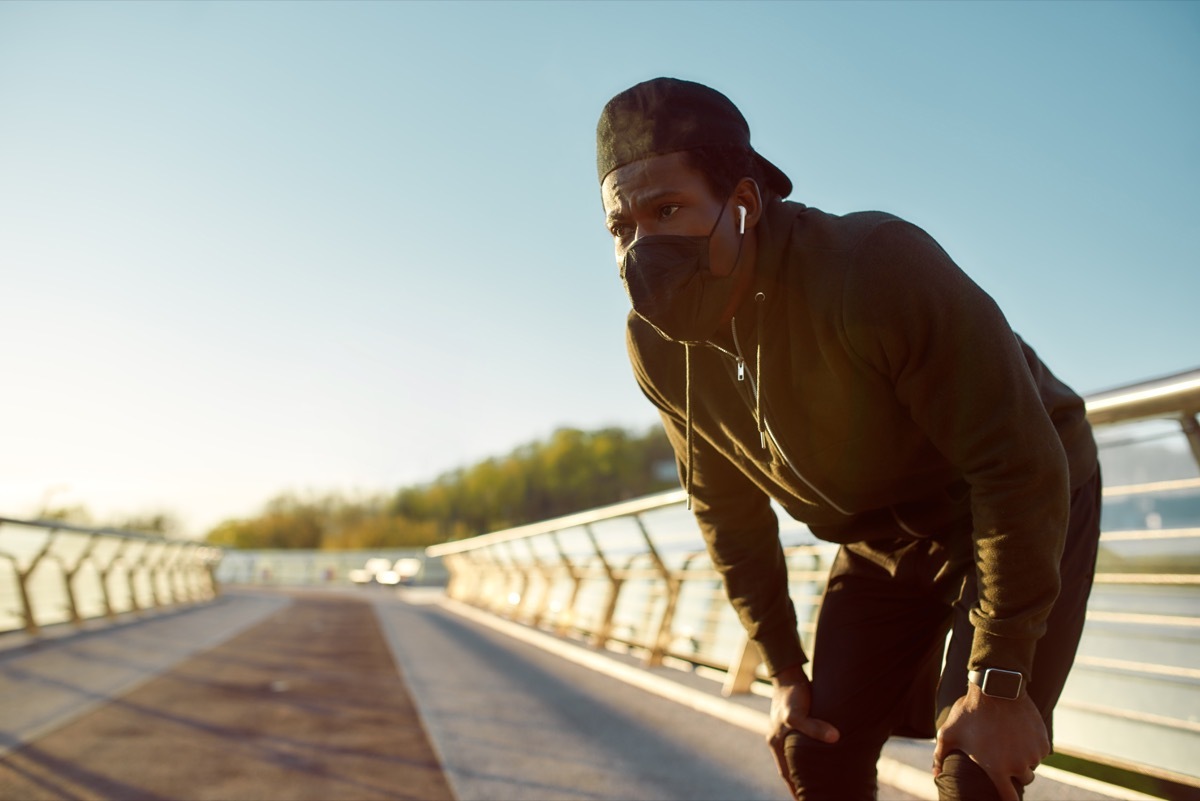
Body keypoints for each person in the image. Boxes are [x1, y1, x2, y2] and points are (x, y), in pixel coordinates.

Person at [595, 77, 1101, 801]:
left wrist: (999, 678)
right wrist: (783, 672)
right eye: (622, 227)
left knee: (975, 768)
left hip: (1019, 495)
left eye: (668, 209)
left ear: (741, 204)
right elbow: (724, 509)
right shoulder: (655, 345)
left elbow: (1015, 466)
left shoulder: (872, 266)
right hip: (881, 539)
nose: (644, 246)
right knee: (814, 746)